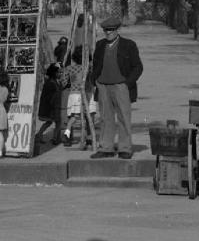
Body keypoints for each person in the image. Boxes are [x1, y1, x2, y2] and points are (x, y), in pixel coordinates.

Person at [91, 16, 143, 159]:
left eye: (111, 30)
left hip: (121, 86)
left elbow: (138, 67)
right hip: (103, 86)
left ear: (117, 30)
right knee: (105, 118)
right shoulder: (100, 45)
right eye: (105, 30)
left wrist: (127, 83)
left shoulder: (129, 45)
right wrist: (94, 80)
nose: (108, 33)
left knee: (124, 118)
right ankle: (106, 148)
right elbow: (95, 65)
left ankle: (125, 148)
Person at [61, 46, 84, 147]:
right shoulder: (84, 68)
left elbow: (64, 82)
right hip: (79, 94)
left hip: (71, 94)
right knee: (77, 116)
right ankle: (67, 132)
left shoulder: (69, 68)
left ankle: (68, 138)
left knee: (72, 116)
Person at [35, 63, 62, 145]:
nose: (60, 74)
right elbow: (50, 97)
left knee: (53, 122)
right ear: (54, 73)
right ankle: (53, 138)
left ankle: (40, 135)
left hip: (53, 107)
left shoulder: (54, 82)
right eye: (58, 73)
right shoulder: (51, 83)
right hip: (51, 107)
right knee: (55, 122)